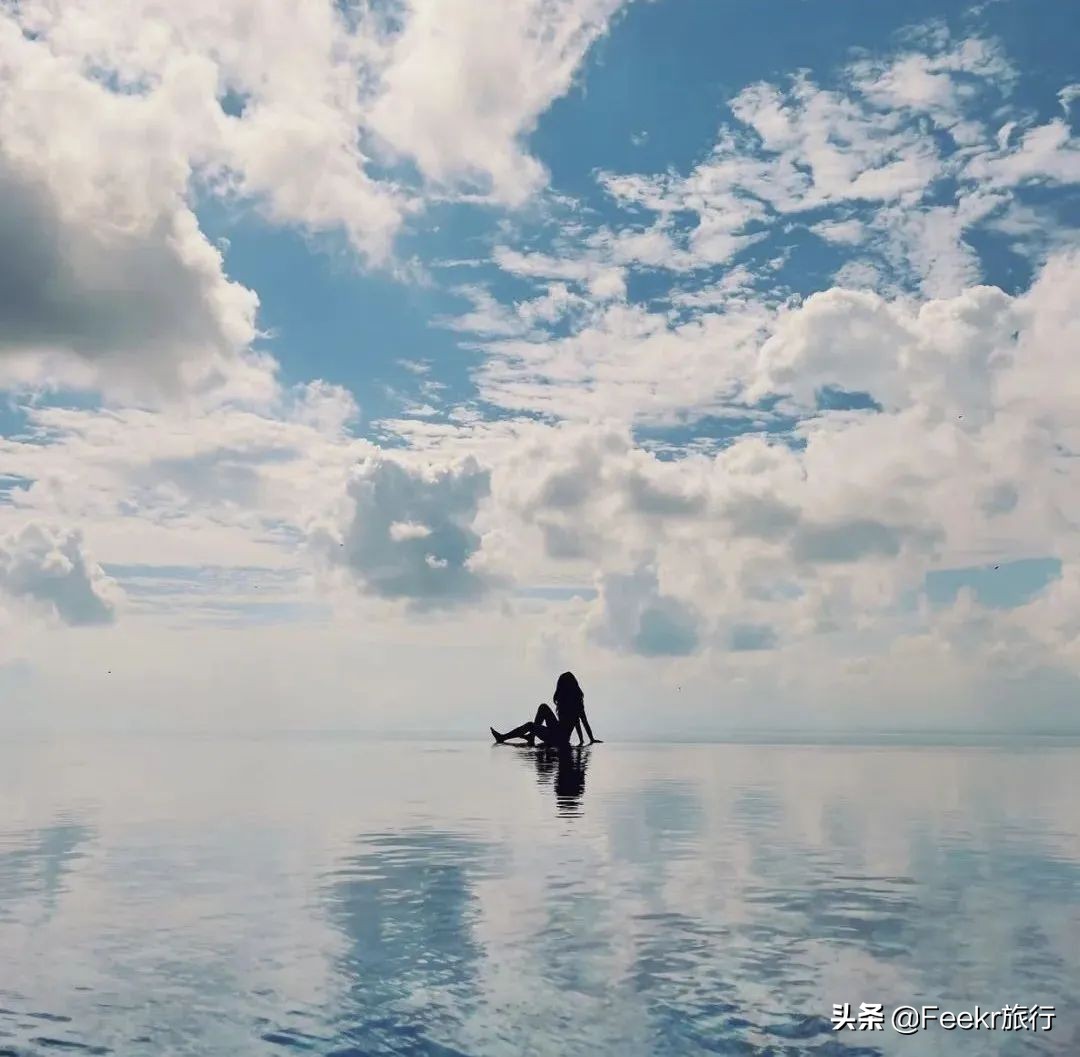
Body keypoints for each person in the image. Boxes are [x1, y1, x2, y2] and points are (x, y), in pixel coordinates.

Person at [490, 672, 602, 747]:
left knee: (530, 725)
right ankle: (531, 737)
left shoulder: (576, 703)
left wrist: (590, 739)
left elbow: (582, 722)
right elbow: (578, 722)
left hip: (559, 737)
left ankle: (503, 737)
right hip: (556, 731)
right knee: (543, 707)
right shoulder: (567, 701)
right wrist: (582, 740)